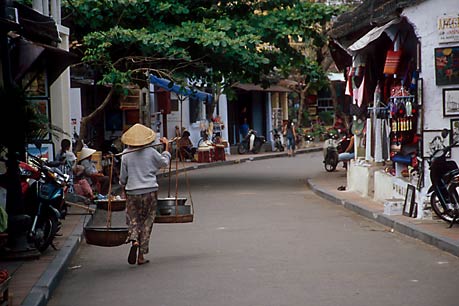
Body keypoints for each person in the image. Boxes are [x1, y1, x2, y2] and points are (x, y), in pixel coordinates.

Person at [119, 123, 171, 265]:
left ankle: (134, 239)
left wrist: (123, 185)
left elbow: (123, 178)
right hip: (150, 191)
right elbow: (164, 163)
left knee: (134, 220)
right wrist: (167, 148)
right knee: (147, 221)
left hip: (132, 192)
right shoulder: (151, 152)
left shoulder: (125, 154)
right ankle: (141, 255)